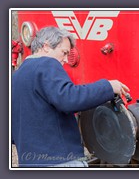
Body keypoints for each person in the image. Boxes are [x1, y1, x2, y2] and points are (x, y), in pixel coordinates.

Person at [11, 26, 130, 167]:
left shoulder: (17, 76)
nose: (66, 60)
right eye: (64, 52)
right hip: (60, 160)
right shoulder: (46, 64)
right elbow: (69, 98)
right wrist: (108, 87)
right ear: (47, 46)